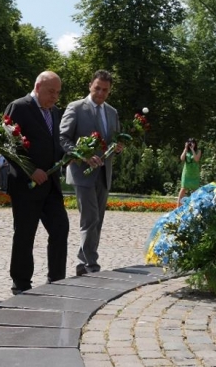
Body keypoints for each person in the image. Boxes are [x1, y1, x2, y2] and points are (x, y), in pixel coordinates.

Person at [4, 71, 69, 294]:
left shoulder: (55, 112)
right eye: (51, 92)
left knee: (60, 228)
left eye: (58, 93)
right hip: (26, 185)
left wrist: (68, 157)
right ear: (38, 86)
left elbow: (55, 145)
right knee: (25, 233)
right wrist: (31, 170)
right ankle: (21, 283)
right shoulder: (19, 107)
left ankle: (57, 280)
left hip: (50, 185)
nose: (55, 97)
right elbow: (8, 146)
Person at [60, 70, 123, 277]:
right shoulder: (76, 108)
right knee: (90, 218)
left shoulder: (112, 112)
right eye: (98, 88)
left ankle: (83, 261)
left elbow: (114, 139)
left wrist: (119, 145)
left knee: (98, 220)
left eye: (105, 90)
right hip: (82, 172)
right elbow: (63, 139)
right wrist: (83, 155)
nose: (101, 93)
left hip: (104, 172)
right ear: (90, 85)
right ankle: (90, 265)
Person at [176, 138, 202, 207]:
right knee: (183, 189)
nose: (191, 144)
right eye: (189, 143)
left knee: (195, 190)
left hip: (194, 174)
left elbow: (196, 159)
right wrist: (185, 149)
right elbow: (182, 158)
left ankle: (193, 207)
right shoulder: (186, 151)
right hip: (186, 173)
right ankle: (178, 207)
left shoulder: (198, 151)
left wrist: (192, 150)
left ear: (195, 143)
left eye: (192, 142)